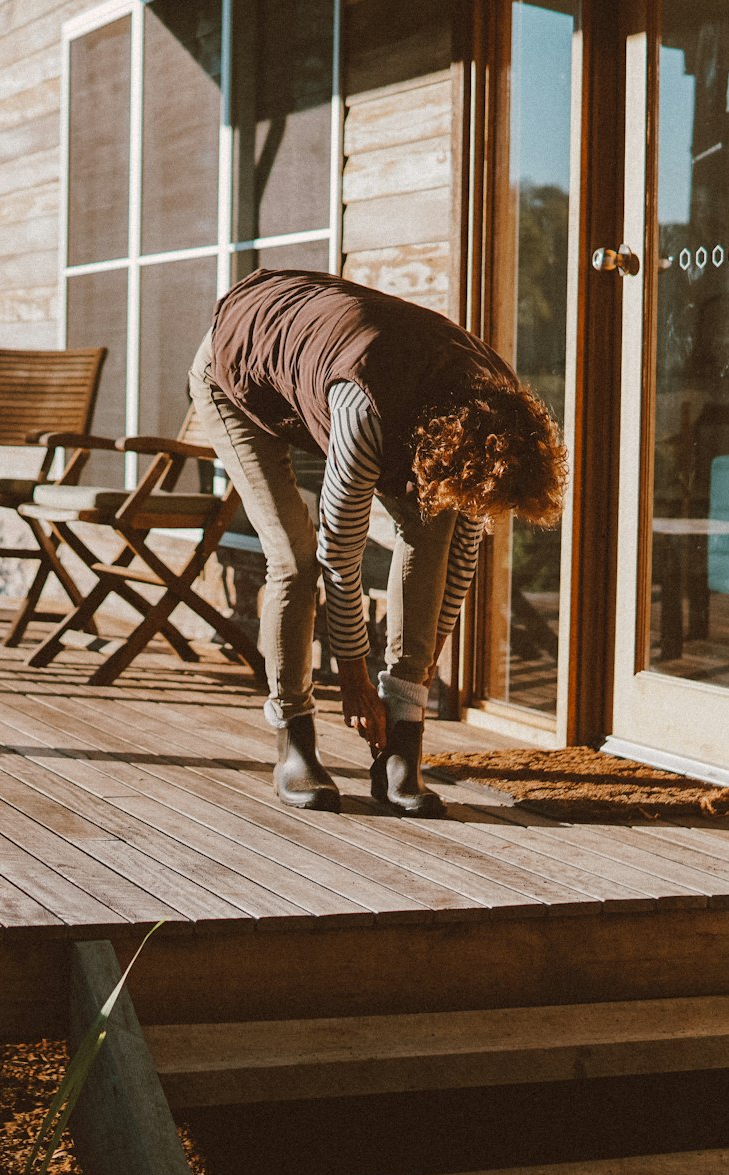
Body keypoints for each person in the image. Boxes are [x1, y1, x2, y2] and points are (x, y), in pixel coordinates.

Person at [190, 269, 565, 815]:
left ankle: (401, 753)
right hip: (238, 369)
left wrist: (418, 673)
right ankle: (293, 739)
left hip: (355, 378)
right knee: (294, 559)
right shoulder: (365, 411)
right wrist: (354, 677)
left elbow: (462, 554)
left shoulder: (497, 407)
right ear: (450, 453)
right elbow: (340, 557)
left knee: (432, 532)